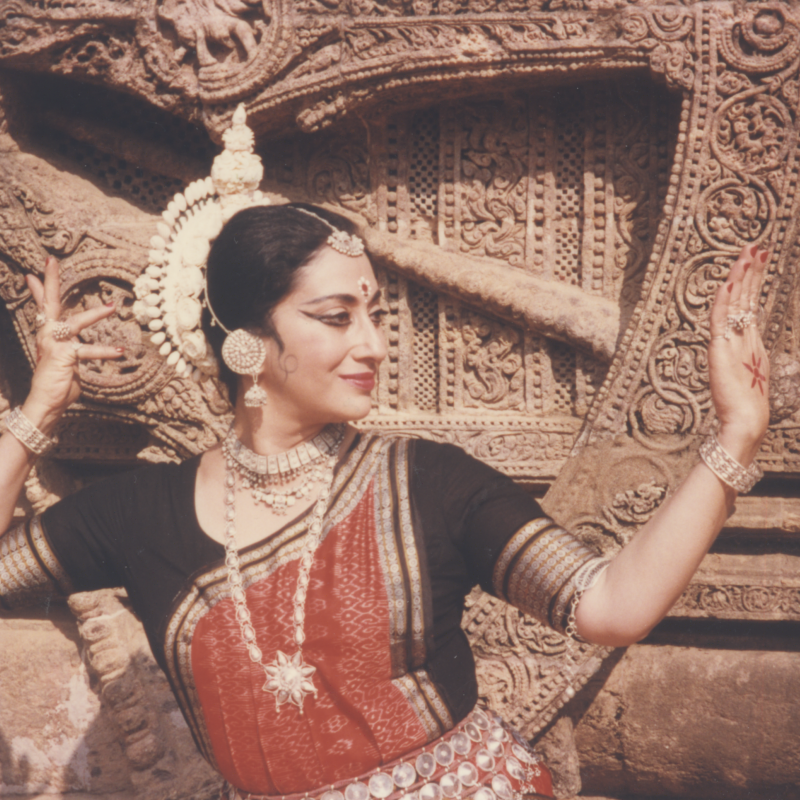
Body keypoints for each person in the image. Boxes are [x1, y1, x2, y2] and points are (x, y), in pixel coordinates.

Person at [0, 199, 769, 800]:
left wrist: (734, 436)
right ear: (247, 343)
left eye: (373, 315)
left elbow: (611, 607)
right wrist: (37, 415)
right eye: (336, 318)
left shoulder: (425, 482)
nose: (371, 344)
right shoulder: (140, 513)